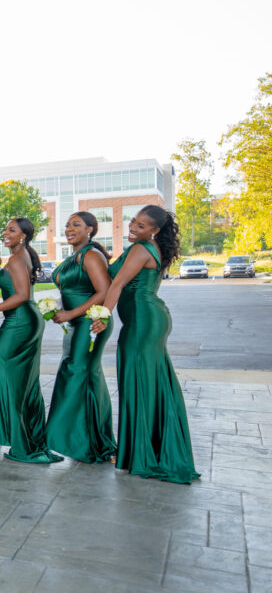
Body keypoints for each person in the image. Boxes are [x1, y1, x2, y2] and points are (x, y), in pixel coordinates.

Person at [91, 205, 199, 484]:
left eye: (141, 226)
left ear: (155, 230)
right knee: (150, 382)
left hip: (143, 322)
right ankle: (147, 448)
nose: (132, 227)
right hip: (149, 318)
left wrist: (103, 315)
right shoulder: (145, 247)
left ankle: (143, 453)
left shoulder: (141, 249)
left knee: (138, 382)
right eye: (133, 222)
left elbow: (117, 285)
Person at [0, 219, 60, 463]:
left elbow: (22, 295)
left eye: (11, 230)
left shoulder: (17, 258)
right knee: (22, 380)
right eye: (6, 228)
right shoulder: (22, 256)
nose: (5, 233)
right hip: (24, 319)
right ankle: (20, 435)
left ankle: (17, 438)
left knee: (2, 372)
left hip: (21, 321)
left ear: (23, 236)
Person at [45, 211, 116, 463]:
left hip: (91, 322)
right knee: (82, 377)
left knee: (77, 374)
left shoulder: (91, 255)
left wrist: (72, 313)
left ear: (91, 230)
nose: (68, 229)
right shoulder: (75, 255)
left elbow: (104, 291)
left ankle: (85, 442)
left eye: (76, 225)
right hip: (76, 323)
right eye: (66, 225)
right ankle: (89, 440)